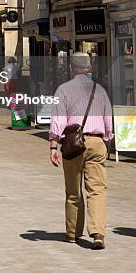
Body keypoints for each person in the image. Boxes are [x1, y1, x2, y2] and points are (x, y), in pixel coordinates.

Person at [49, 52, 113, 249]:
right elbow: (108, 120)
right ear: (89, 68)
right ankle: (98, 233)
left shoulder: (63, 90)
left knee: (73, 190)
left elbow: (58, 119)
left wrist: (53, 145)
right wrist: (106, 141)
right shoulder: (99, 90)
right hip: (96, 142)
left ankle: (72, 234)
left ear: (71, 68)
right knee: (97, 190)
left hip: (72, 143)